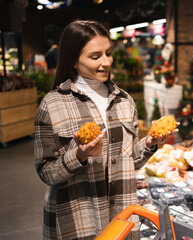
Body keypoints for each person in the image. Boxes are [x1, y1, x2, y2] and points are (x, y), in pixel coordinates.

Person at [34, 20, 178, 240]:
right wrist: (79, 156)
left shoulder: (124, 102)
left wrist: (149, 144)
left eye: (108, 53)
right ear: (73, 60)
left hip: (122, 217)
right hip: (77, 221)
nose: (106, 62)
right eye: (95, 56)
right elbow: (46, 172)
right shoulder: (52, 105)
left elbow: (128, 162)